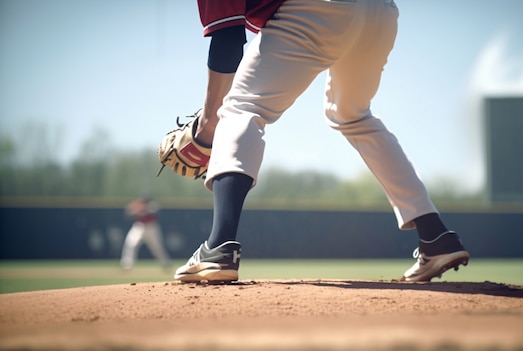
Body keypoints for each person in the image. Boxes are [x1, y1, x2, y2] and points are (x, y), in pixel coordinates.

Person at [174, 0, 469, 283]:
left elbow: (228, 38)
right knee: (353, 115)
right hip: (380, 11)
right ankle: (435, 235)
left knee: (240, 109)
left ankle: (219, 247)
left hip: (320, 7)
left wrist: (210, 122)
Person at [120, 197, 170, 270]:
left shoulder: (152, 204)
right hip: (139, 226)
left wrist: (141, 211)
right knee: (131, 244)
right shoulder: (136, 204)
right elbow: (128, 212)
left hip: (151, 227)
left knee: (157, 247)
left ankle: (165, 263)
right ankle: (127, 264)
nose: (143, 201)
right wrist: (134, 211)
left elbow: (153, 211)